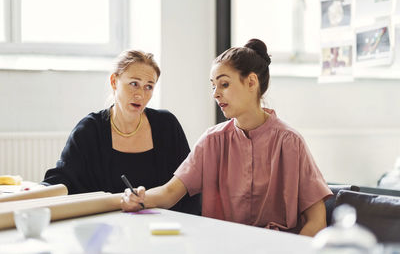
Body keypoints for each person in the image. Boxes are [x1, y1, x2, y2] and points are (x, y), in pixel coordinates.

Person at [121, 39, 333, 236]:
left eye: (224, 84)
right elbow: (169, 193)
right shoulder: (211, 141)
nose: (215, 93)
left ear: (251, 82)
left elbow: (317, 221)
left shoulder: (289, 142)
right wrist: (140, 197)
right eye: (213, 85)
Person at [42, 50, 201, 215]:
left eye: (149, 86)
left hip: (161, 227)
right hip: (106, 229)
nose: (140, 94)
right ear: (114, 82)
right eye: (134, 83)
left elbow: (188, 186)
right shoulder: (89, 130)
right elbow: (62, 179)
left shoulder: (167, 126)